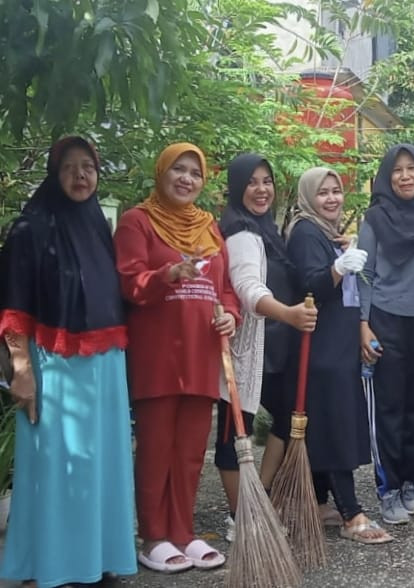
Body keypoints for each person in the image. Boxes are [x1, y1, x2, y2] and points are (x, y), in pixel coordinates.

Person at [0, 137, 137, 587]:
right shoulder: (30, 229)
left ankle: (96, 561)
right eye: (70, 168)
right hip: (52, 365)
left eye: (88, 167)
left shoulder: (98, 225)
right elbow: (14, 307)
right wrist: (20, 370)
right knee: (57, 465)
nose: (81, 176)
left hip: (106, 366)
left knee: (102, 464)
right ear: (53, 175)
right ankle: (50, 565)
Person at [114, 142, 241, 572]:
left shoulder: (209, 226)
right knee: (155, 448)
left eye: (195, 173)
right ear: (162, 171)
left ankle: (183, 533)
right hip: (157, 354)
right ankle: (153, 536)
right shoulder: (138, 222)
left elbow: (224, 290)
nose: (187, 179)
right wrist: (166, 274)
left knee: (189, 450)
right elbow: (129, 284)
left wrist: (232, 317)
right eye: (179, 170)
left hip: (201, 353)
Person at [285, 166, 393, 544]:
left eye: (336, 191)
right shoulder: (304, 232)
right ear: (308, 197)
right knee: (334, 427)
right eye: (323, 193)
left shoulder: (325, 233)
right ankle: (351, 513)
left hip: (338, 343)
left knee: (330, 423)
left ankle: (316, 503)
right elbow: (310, 284)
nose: (332, 199)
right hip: (322, 348)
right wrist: (336, 267)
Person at [216, 153, 317, 541]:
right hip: (246, 348)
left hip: (275, 349)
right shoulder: (241, 234)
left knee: (288, 415)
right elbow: (247, 290)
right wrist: (288, 315)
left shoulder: (267, 230)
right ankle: (239, 514)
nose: (261, 190)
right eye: (252, 182)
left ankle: (261, 494)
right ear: (237, 187)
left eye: (267, 181)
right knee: (232, 430)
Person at [358, 144, 414, 525]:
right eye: (397, 170)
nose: (406, 176)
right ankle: (388, 488)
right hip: (385, 320)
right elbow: (363, 274)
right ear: (386, 177)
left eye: (413, 168)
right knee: (388, 408)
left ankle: (413, 483)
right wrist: (362, 324)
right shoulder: (375, 218)